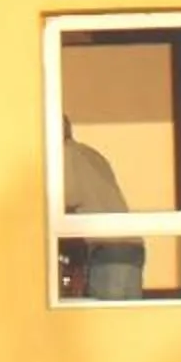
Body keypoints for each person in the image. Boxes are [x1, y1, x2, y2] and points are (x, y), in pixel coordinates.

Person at [61, 121, 146, 300]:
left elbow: (67, 197)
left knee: (106, 318)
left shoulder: (64, 154)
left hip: (106, 248)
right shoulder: (91, 153)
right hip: (132, 245)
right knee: (128, 320)